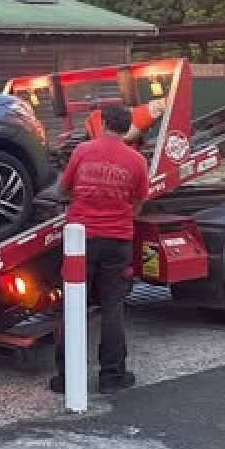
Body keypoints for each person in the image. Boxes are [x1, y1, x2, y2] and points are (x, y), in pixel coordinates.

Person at [49, 103, 150, 394]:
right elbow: (139, 203)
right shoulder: (137, 161)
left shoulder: (82, 152)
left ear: (103, 122)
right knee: (112, 307)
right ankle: (112, 376)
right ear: (126, 127)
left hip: (81, 241)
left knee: (73, 305)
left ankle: (66, 377)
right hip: (117, 241)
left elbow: (63, 190)